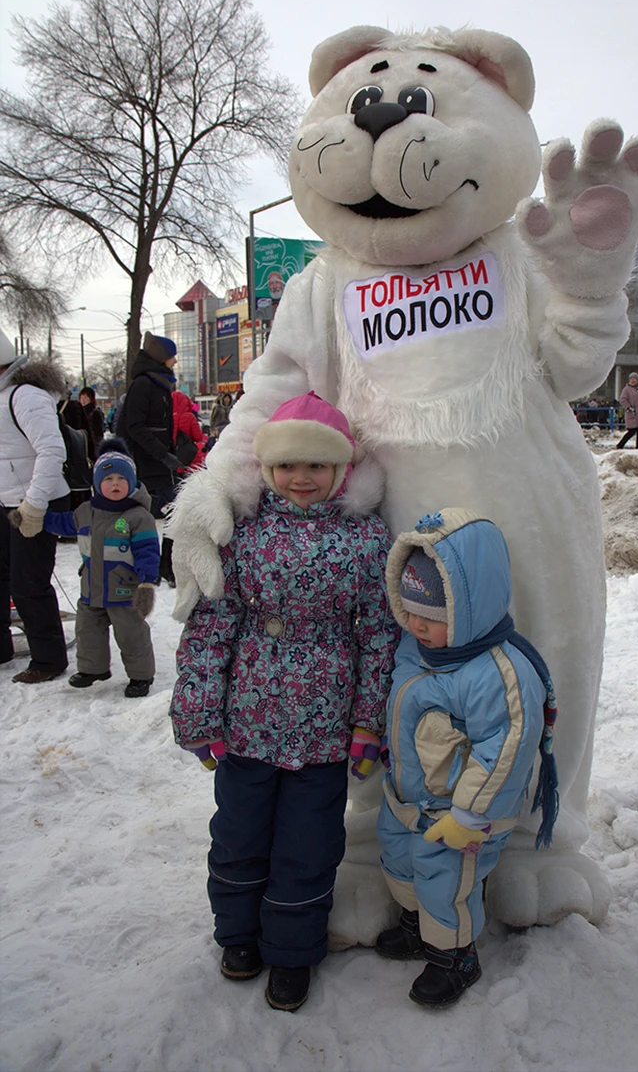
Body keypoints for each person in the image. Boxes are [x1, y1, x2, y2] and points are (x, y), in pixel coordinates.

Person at [169, 392, 399, 1012]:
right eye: (288, 466)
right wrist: (197, 712)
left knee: (308, 845)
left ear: (341, 471)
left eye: (317, 466)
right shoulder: (243, 535)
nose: (302, 478)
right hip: (246, 725)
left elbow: (379, 635)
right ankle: (238, 935)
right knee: (239, 834)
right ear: (268, 471)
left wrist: (367, 722)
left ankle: (293, 952)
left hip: (324, 733)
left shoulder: (365, 541)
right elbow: (212, 624)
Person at [375, 509, 558, 1009]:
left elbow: (506, 747)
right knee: (399, 859)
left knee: (445, 881)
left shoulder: (497, 674)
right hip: (409, 797)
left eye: (432, 617)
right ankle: (418, 926)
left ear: (471, 608)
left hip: (461, 813)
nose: (416, 625)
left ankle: (455, 957)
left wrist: (471, 813)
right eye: (409, 611)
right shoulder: (419, 649)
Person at [43, 439, 159, 698]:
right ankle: (93, 669)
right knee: (87, 631)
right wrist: (36, 517)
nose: (115, 483)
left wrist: (146, 583)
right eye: (108, 479)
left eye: (121, 478)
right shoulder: (86, 511)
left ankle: (141, 676)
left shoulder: (138, 517)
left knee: (131, 634)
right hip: (91, 589)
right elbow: (62, 523)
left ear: (131, 482)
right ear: (97, 484)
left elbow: (148, 553)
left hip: (125, 592)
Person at [0, 327, 71, 683]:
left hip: (35, 500)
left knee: (28, 583)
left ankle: (48, 659)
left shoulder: (25, 396)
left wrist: (34, 505)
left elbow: (52, 450)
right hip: (5, 498)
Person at [117, 331, 181, 586]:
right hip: (145, 466)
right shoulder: (144, 384)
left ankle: (166, 566)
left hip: (160, 466)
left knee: (175, 515)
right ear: (161, 357)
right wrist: (163, 454)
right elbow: (134, 426)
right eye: (172, 356)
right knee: (141, 520)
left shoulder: (160, 383)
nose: (175, 361)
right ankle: (148, 567)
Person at [172, 390, 206, 474]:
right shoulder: (190, 416)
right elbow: (198, 437)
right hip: (189, 457)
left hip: (172, 457)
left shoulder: (167, 418)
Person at [617, 371, 638, 449]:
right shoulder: (627, 389)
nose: (633, 380)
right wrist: (628, 407)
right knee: (631, 431)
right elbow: (622, 400)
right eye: (631, 378)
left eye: (634, 378)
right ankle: (620, 445)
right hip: (632, 413)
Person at [78, 387, 105, 451]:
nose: (83, 400)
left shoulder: (95, 412)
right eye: (81, 397)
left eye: (86, 397)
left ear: (91, 399)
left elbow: (98, 433)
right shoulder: (79, 411)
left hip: (92, 444)